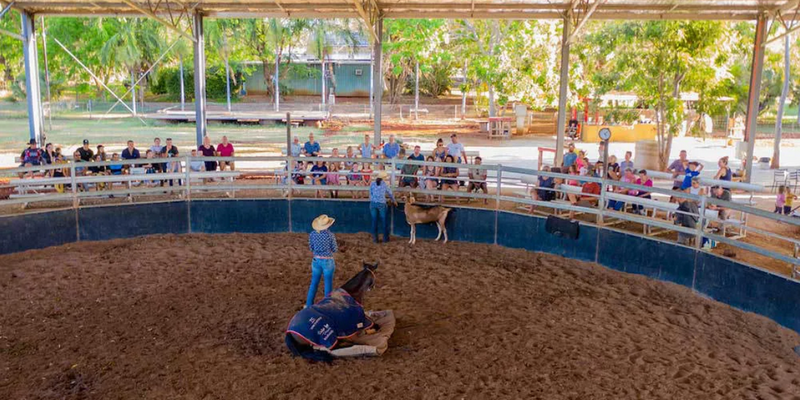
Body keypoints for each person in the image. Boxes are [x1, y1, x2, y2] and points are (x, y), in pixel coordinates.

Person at [306, 215, 338, 307]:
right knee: (328, 284)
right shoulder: (330, 235)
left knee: (314, 283)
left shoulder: (312, 234)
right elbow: (335, 249)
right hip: (327, 261)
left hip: (316, 260)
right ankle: (327, 305)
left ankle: (308, 304)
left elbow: (311, 247)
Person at [369, 171, 396, 243]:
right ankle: (385, 239)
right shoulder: (384, 185)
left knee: (374, 221)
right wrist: (394, 201)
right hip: (381, 204)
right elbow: (390, 193)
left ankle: (375, 239)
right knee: (384, 221)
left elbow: (370, 194)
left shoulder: (372, 184)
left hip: (373, 203)